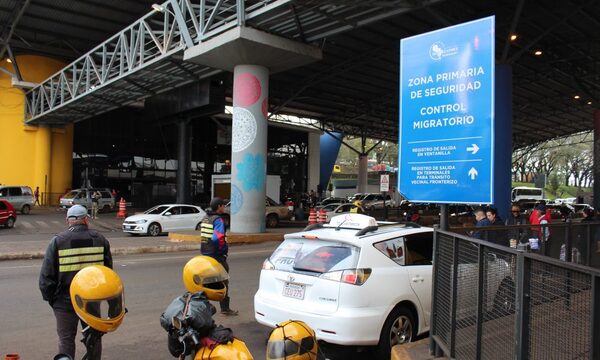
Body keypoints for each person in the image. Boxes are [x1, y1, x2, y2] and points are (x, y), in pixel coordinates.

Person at [39, 204, 113, 360]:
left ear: (67, 221)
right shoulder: (100, 240)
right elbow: (108, 274)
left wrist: (53, 300)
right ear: (86, 220)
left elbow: (46, 277)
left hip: (65, 301)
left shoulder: (58, 241)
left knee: (66, 340)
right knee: (94, 337)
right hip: (91, 300)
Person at [200, 197, 238, 316]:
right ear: (219, 207)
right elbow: (218, 238)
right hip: (217, 255)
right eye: (223, 206)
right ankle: (225, 309)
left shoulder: (205, 218)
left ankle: (201, 308)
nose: (224, 207)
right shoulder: (218, 220)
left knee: (206, 282)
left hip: (205, 254)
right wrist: (222, 250)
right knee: (224, 281)